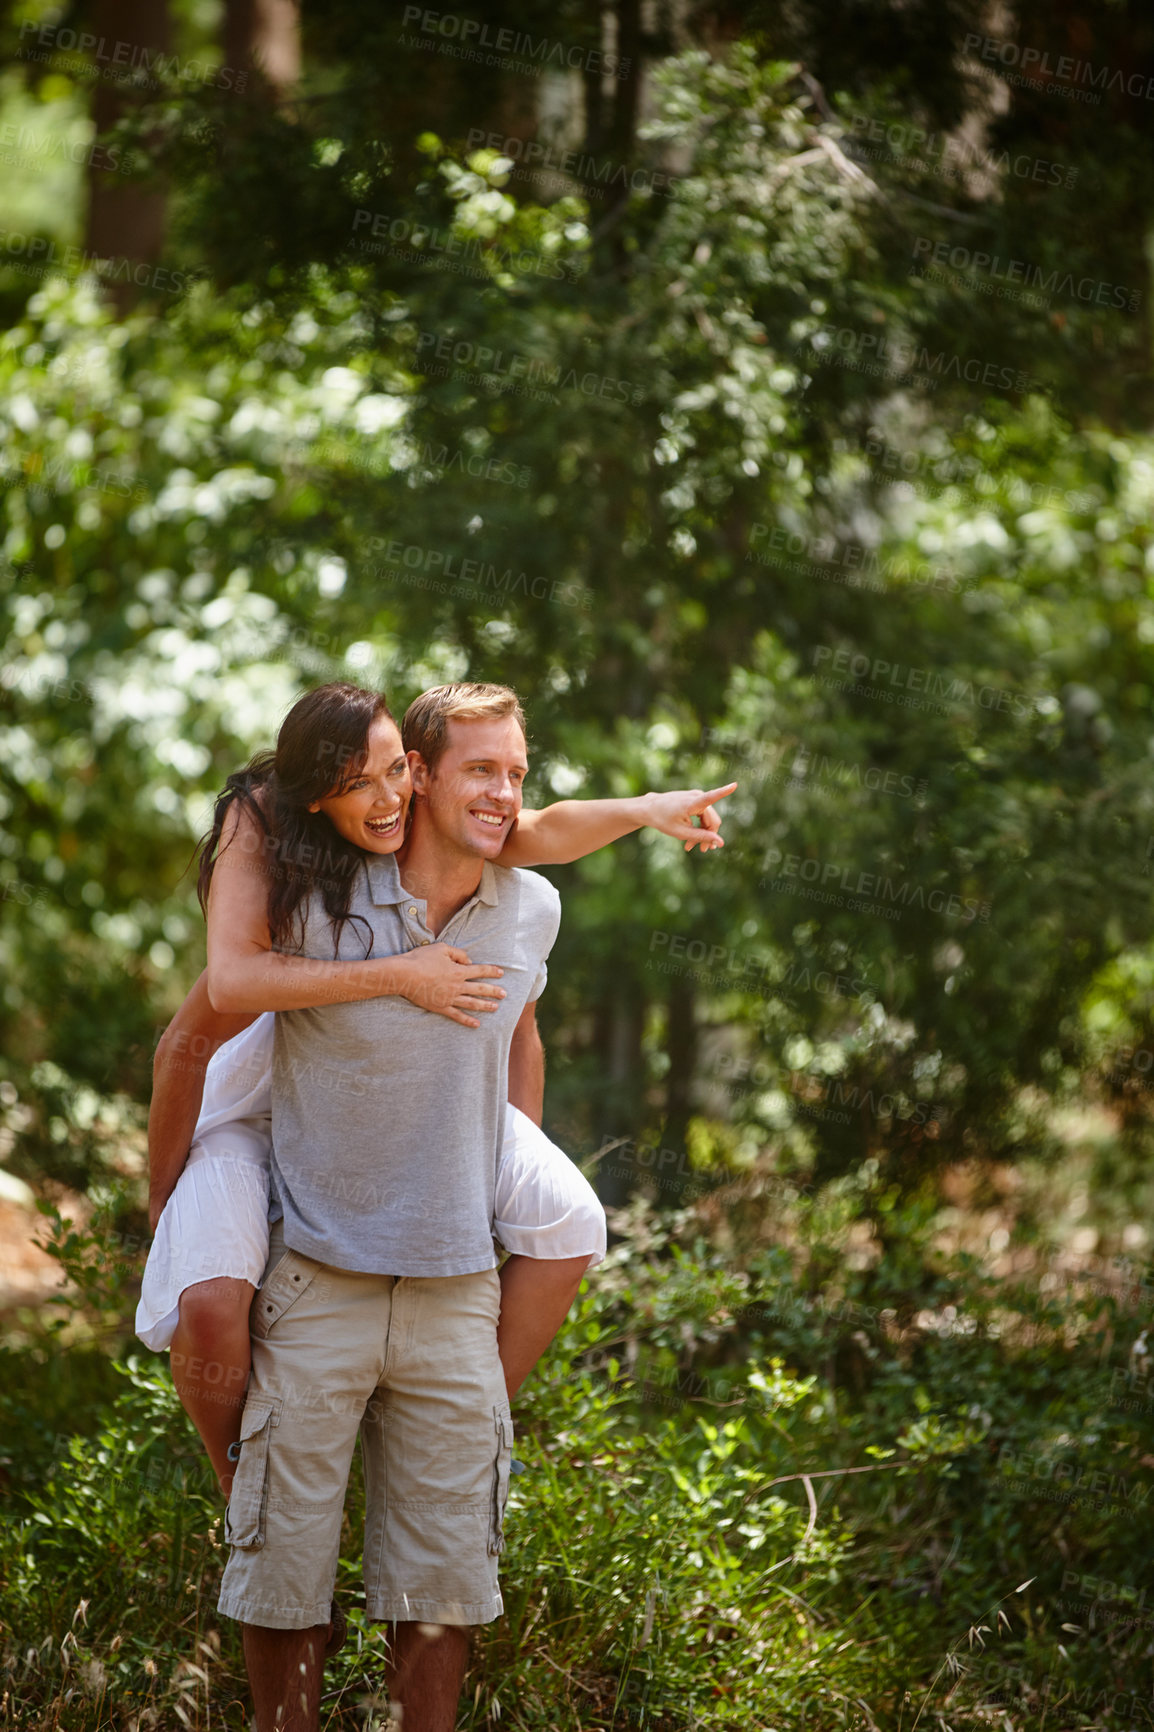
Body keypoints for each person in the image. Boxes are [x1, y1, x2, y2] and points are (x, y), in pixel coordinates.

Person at [142, 681, 735, 1503]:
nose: (385, 798)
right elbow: (205, 1018)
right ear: (323, 791)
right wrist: (160, 1202)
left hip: (423, 1101)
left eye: (395, 774)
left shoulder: (471, 855)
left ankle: (446, 1435)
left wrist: (647, 808)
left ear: (413, 771)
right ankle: (241, 1491)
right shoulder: (281, 845)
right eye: (360, 783)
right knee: (209, 1299)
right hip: (268, 1086)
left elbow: (545, 838)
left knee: (571, 1218)